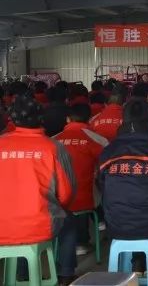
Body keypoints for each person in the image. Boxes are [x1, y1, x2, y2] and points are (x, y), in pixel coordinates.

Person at [0, 95, 76, 285]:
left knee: (16, 226)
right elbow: (66, 194)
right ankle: (66, 274)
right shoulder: (53, 147)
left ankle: (22, 274)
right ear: (41, 118)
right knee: (68, 221)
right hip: (38, 225)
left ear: (12, 119)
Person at [98, 99, 148, 273]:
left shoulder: (108, 151)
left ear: (123, 120)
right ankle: (145, 264)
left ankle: (137, 263)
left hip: (116, 224)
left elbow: (102, 186)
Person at [54, 104, 107, 279]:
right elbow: (105, 170)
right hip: (87, 199)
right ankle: (85, 239)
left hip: (58, 203)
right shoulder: (98, 140)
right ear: (88, 119)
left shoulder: (53, 141)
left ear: (67, 119)